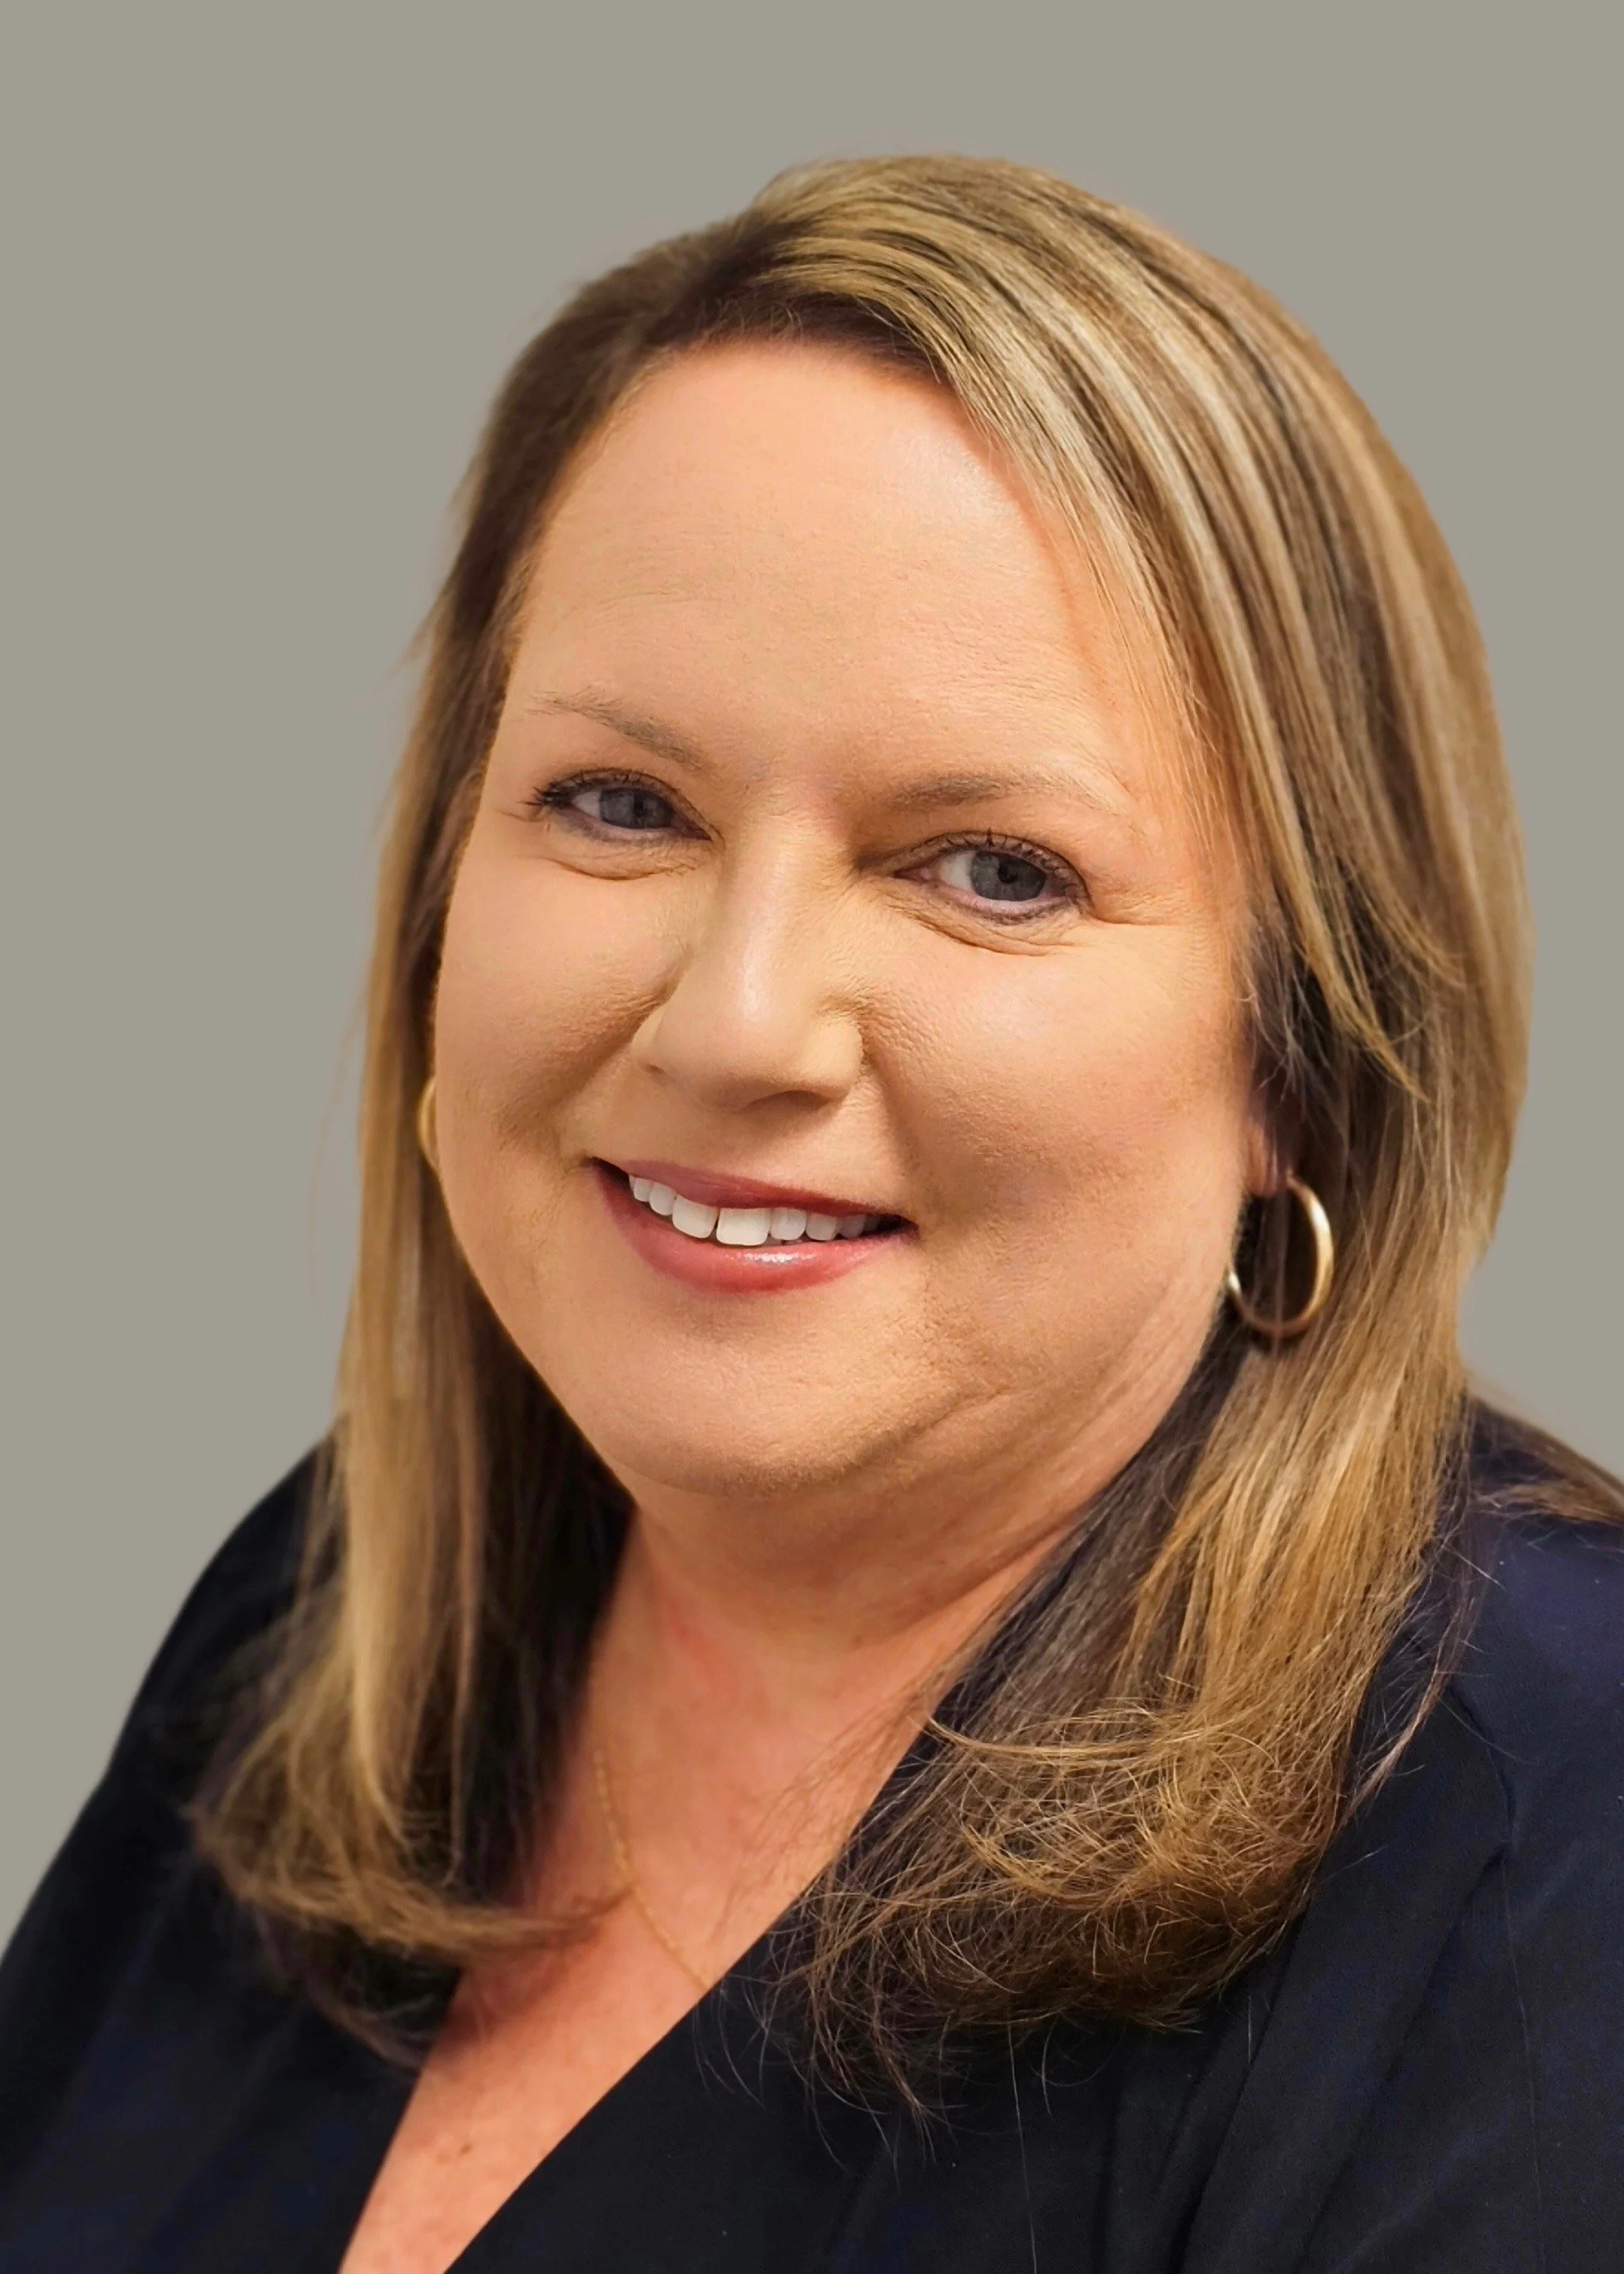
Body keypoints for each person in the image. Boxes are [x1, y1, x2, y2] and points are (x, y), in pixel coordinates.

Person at [0, 154, 1619, 2274]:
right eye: (620, 805)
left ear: (1302, 1057)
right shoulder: (322, 1626)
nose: (736, 1018)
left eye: (991, 866)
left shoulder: (1547, 1871)